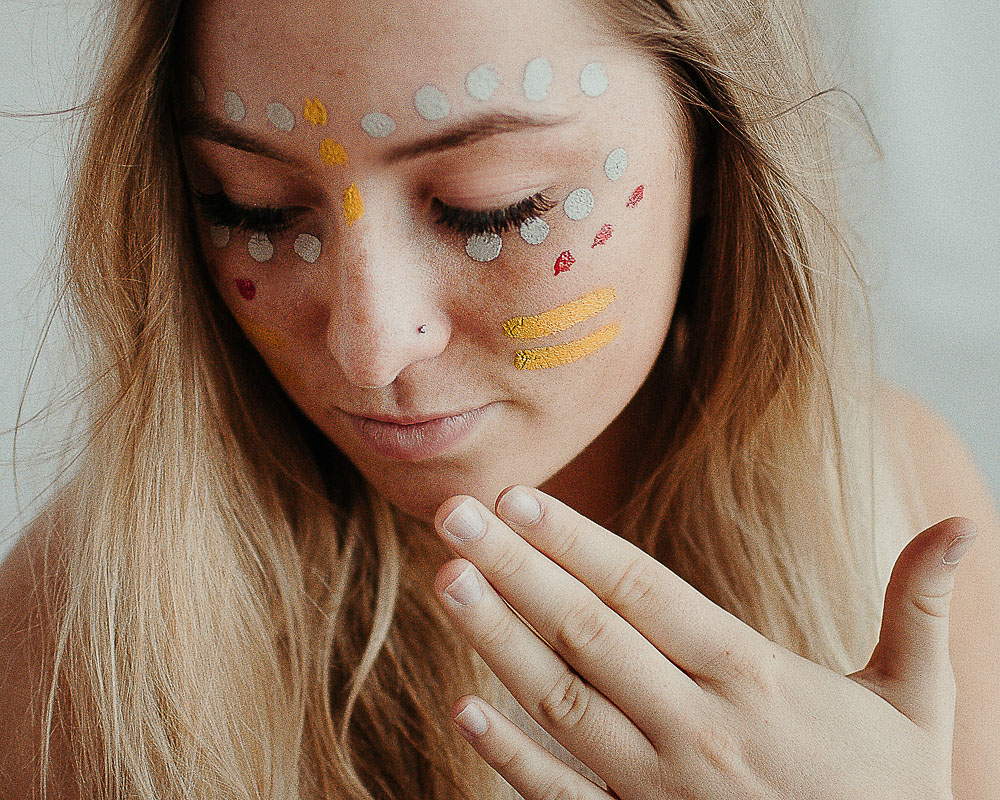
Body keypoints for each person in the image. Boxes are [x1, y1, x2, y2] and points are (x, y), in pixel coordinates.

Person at [1, 0, 997, 797]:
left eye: (494, 204)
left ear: (714, 141)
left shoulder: (892, 497)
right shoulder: (86, 643)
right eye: (252, 207)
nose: (367, 344)